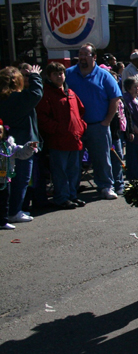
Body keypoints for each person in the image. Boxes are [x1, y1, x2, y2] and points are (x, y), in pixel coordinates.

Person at [65, 43, 123, 200]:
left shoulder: (104, 75)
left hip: (98, 125)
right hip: (75, 127)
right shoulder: (69, 74)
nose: (82, 57)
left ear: (94, 57)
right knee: (74, 161)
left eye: (86, 54)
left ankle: (106, 186)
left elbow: (115, 98)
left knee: (102, 159)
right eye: (80, 54)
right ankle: (71, 190)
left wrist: (107, 121)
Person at [36, 62, 86, 209]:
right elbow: (42, 118)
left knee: (74, 171)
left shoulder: (70, 93)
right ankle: (61, 198)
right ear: (49, 77)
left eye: (61, 73)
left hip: (74, 139)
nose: (59, 76)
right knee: (60, 172)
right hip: (58, 141)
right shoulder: (46, 94)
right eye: (55, 74)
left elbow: (81, 111)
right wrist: (58, 129)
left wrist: (81, 127)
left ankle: (72, 195)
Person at [0, 65, 42, 221]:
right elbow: (37, 93)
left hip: (6, 144)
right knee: (22, 179)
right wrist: (35, 76)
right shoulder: (19, 98)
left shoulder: (3, 99)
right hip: (25, 143)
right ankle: (15, 211)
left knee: (7, 180)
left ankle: (9, 211)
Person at [0, 118, 38, 229]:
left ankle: (3, 222)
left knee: (4, 201)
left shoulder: (9, 145)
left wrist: (29, 147)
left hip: (5, 179)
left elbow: (21, 153)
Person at [122, 78, 138, 181]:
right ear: (128, 88)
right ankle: (132, 179)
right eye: (135, 87)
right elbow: (128, 117)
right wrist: (135, 130)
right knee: (133, 158)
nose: (137, 89)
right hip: (135, 134)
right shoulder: (126, 99)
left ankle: (135, 177)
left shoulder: (137, 99)